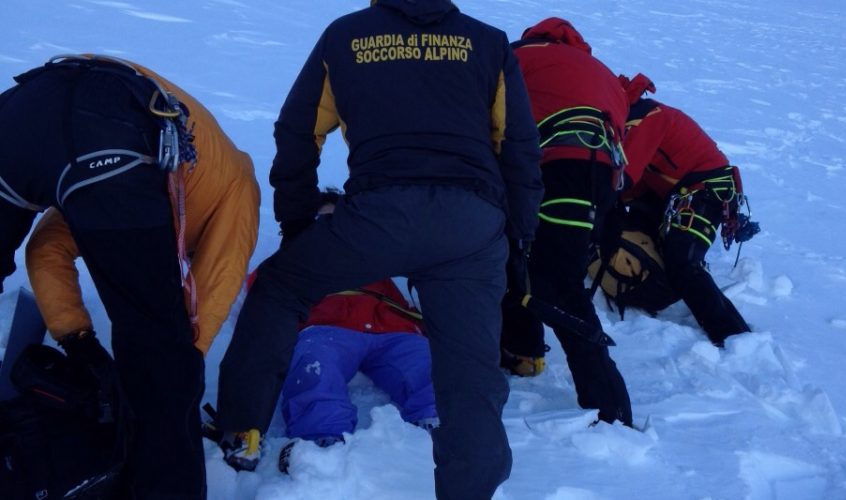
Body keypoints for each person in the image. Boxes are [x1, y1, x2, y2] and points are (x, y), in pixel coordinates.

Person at [214, 2, 544, 499]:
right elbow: (518, 143)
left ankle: (242, 430)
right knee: (469, 375)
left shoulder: (346, 35)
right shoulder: (489, 42)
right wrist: (516, 236)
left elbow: (298, 129)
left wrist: (299, 219)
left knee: (280, 289)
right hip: (470, 223)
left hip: (378, 212)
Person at [0, 54, 260, 498]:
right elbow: (211, 293)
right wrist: (173, 369)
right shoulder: (238, 186)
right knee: (162, 357)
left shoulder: (176, 172)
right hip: (112, 132)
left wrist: (78, 341)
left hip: (23, 112)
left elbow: (45, 250)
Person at [499, 17, 633, 427]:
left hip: (559, 164)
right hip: (601, 173)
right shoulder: (599, 70)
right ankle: (524, 353)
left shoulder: (516, 56)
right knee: (543, 263)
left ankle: (608, 406)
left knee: (552, 279)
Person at [616, 72, 751, 346]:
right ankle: (652, 291)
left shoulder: (649, 118)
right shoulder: (635, 123)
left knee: (683, 263)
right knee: (637, 232)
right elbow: (634, 185)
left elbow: (623, 177)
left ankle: (733, 336)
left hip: (705, 190)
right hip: (676, 193)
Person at [276, 275, 438, 473]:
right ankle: (320, 441)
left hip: (394, 328)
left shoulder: (387, 263)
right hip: (328, 325)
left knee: (431, 365)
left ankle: (439, 424)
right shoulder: (299, 257)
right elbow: (266, 290)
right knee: (315, 365)